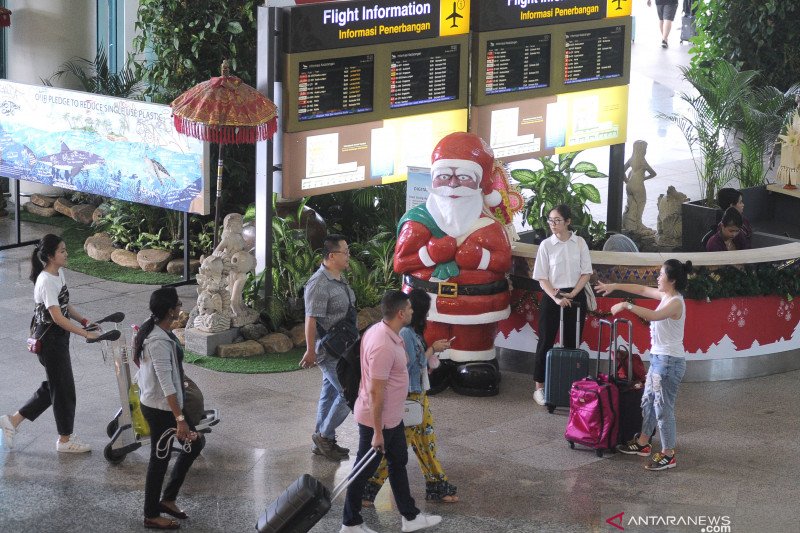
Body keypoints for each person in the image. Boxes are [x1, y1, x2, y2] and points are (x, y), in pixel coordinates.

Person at [394, 132, 516, 396]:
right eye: (444, 176)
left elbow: (503, 261)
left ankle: (473, 360)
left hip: (476, 307)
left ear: (479, 183)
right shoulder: (418, 222)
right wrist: (429, 255)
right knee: (429, 337)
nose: (452, 184)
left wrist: (480, 258)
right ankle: (431, 365)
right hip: (428, 301)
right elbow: (400, 263)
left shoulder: (489, 227)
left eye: (463, 177)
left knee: (473, 355)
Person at [341, 290, 442, 533]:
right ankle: (350, 522)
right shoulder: (383, 345)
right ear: (399, 313)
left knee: (398, 461)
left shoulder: (381, 330)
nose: (412, 311)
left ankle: (410, 516)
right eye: (409, 308)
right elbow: (376, 392)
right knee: (363, 470)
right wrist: (377, 432)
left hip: (392, 418)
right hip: (379, 421)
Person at [0, 234, 98, 453]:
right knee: (64, 390)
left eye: (65, 249)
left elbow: (65, 305)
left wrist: (84, 320)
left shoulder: (58, 273)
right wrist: (84, 334)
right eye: (62, 251)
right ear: (51, 256)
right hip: (50, 340)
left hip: (57, 339)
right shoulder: (46, 280)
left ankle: (12, 421)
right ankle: (65, 440)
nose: (66, 253)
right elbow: (57, 317)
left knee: (55, 386)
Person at [362, 289, 458, 507]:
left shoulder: (410, 332)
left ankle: (436, 485)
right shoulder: (404, 334)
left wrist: (432, 351)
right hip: (409, 398)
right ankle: (369, 488)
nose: (414, 311)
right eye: (411, 308)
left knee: (425, 443)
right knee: (402, 449)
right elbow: (405, 367)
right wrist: (432, 350)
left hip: (417, 396)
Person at [596, 259, 693, 471]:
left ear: (673, 280)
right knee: (648, 400)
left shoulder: (675, 302)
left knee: (663, 408)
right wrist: (614, 286)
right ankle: (643, 442)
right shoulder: (666, 295)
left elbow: (654, 315)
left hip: (669, 363)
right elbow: (640, 288)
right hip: (660, 359)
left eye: (661, 275)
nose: (657, 278)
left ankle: (668, 454)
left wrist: (626, 305)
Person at [133, 287, 204, 530]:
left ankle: (168, 499)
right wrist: (180, 419)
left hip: (162, 406)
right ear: (169, 311)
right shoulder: (158, 342)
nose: (180, 306)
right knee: (159, 460)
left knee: (195, 443)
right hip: (161, 409)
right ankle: (151, 514)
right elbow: (166, 386)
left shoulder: (154, 326)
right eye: (177, 304)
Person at [531, 205, 593, 406]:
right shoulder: (546, 245)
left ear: (568, 222)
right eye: (550, 220)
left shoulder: (579, 243)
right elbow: (541, 277)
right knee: (545, 340)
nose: (553, 225)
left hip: (575, 294)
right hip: (552, 295)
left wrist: (574, 293)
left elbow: (586, 272)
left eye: (557, 220)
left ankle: (569, 385)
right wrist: (557, 297)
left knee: (571, 342)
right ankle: (539, 387)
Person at [300, 234, 355, 461]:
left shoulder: (338, 278)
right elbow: (310, 319)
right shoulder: (319, 283)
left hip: (343, 348)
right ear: (332, 256)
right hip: (329, 351)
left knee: (329, 393)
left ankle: (323, 440)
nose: (349, 256)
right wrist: (310, 350)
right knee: (349, 392)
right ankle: (324, 436)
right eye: (346, 252)